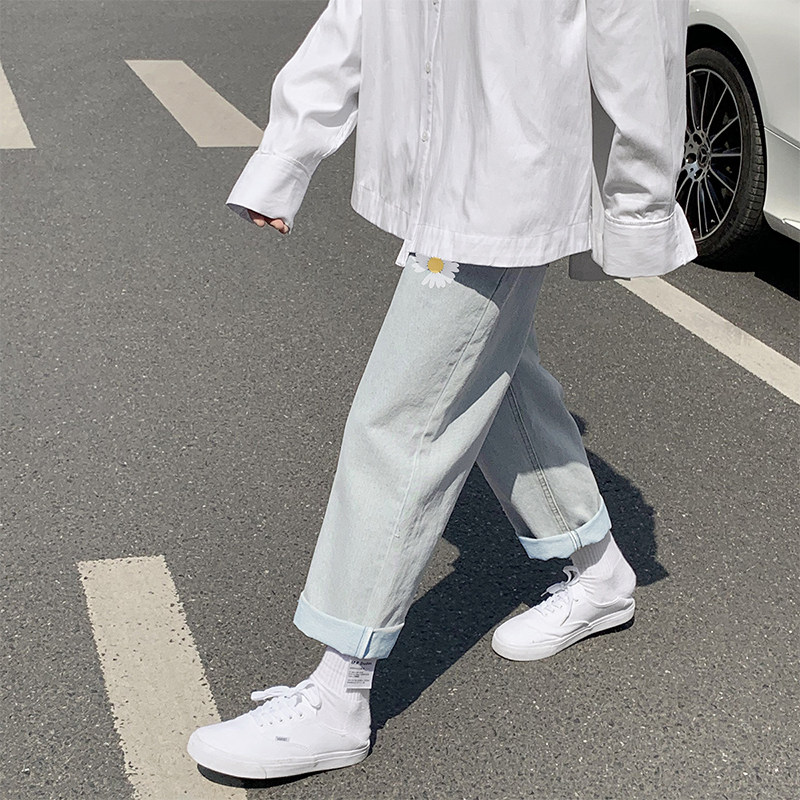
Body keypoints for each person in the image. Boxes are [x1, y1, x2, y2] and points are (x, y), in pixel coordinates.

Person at [188, 0, 696, 781]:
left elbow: (642, 33)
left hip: (512, 176)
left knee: (402, 417)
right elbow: (358, 13)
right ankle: (598, 572)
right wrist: (288, 150)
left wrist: (639, 204)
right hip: (440, 164)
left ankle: (339, 695)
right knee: (490, 377)